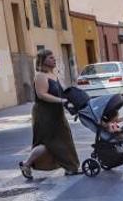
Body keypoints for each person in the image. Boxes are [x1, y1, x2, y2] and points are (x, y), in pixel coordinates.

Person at [19, 49, 81, 179]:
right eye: (51, 58)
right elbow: (42, 95)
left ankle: (71, 167)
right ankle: (26, 164)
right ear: (43, 61)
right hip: (44, 114)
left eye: (54, 57)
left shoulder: (53, 74)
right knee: (47, 143)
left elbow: (61, 92)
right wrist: (61, 100)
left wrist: (73, 99)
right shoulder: (40, 76)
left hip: (56, 112)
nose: (54, 60)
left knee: (64, 139)